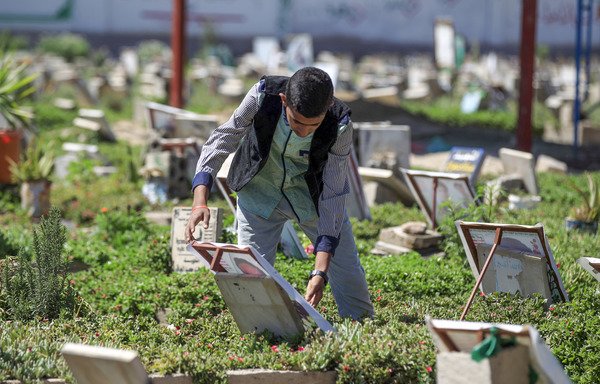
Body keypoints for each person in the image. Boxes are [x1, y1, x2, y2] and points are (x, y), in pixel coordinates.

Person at [184, 67, 374, 320]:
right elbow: (223, 138)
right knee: (252, 281)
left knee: (350, 278)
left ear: (327, 108)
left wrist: (320, 271)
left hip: (312, 200)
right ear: (284, 100)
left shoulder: (341, 125)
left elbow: (334, 192)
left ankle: (360, 330)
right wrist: (200, 201)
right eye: (296, 122)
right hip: (260, 195)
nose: (303, 132)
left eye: (313, 125)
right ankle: (274, 335)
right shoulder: (262, 96)